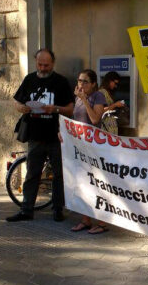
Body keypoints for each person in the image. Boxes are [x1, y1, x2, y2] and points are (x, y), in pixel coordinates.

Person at [7, 48, 73, 223]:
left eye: (46, 65)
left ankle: (58, 209)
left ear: (53, 63)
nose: (43, 68)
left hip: (56, 136)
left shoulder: (61, 82)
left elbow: (70, 108)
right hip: (35, 135)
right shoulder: (30, 79)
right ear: (36, 62)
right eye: (40, 64)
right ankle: (26, 209)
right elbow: (17, 100)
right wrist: (20, 107)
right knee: (31, 174)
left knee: (59, 174)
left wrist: (55, 109)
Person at [70, 69, 110, 234]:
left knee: (96, 185)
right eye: (79, 80)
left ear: (93, 84)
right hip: (80, 146)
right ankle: (85, 219)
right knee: (81, 184)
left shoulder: (98, 96)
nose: (81, 84)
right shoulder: (78, 97)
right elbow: (76, 119)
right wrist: (64, 131)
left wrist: (85, 100)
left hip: (93, 148)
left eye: (85, 81)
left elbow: (94, 119)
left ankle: (102, 222)